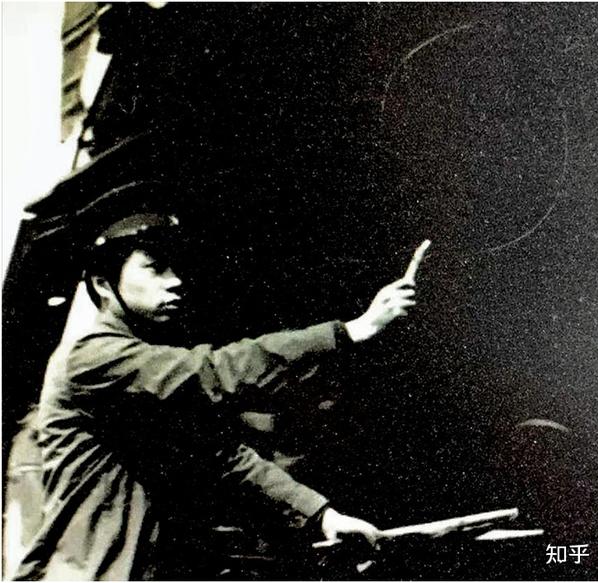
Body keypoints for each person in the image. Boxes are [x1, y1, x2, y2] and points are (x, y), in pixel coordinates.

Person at [13, 182, 429, 580]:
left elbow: (220, 455)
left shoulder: (139, 372)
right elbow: (213, 371)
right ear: (103, 284)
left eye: (175, 266)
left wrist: (323, 516)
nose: (175, 280)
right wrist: (348, 331)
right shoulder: (93, 358)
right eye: (155, 267)